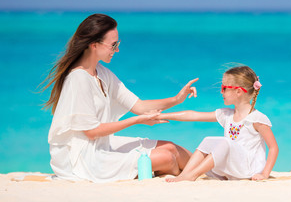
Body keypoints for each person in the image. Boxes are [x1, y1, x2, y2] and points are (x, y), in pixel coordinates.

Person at [41, 13, 198, 183]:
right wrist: (136, 121)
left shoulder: (101, 73)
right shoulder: (78, 79)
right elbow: (91, 132)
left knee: (170, 147)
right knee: (167, 157)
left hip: (103, 145)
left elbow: (139, 106)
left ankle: (213, 171)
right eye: (113, 45)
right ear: (94, 45)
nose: (117, 50)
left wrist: (177, 99)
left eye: (118, 44)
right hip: (83, 159)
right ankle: (179, 171)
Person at [156, 65, 279, 182]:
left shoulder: (256, 119)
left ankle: (193, 175)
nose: (221, 92)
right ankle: (185, 174)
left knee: (225, 142)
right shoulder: (226, 115)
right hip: (232, 168)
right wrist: (160, 115)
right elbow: (193, 115)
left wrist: (264, 173)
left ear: (238, 92)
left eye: (224, 88)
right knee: (208, 140)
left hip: (248, 169)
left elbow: (273, 147)